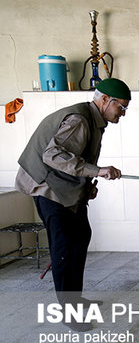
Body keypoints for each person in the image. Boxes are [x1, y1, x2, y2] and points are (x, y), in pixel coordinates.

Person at [15, 78, 131, 330]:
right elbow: (53, 155)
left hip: (63, 186)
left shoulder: (94, 120)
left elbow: (76, 157)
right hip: (47, 187)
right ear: (103, 100)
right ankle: (69, 313)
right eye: (120, 107)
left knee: (80, 236)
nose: (122, 113)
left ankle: (74, 300)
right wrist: (99, 171)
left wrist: (88, 184)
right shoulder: (79, 119)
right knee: (65, 248)